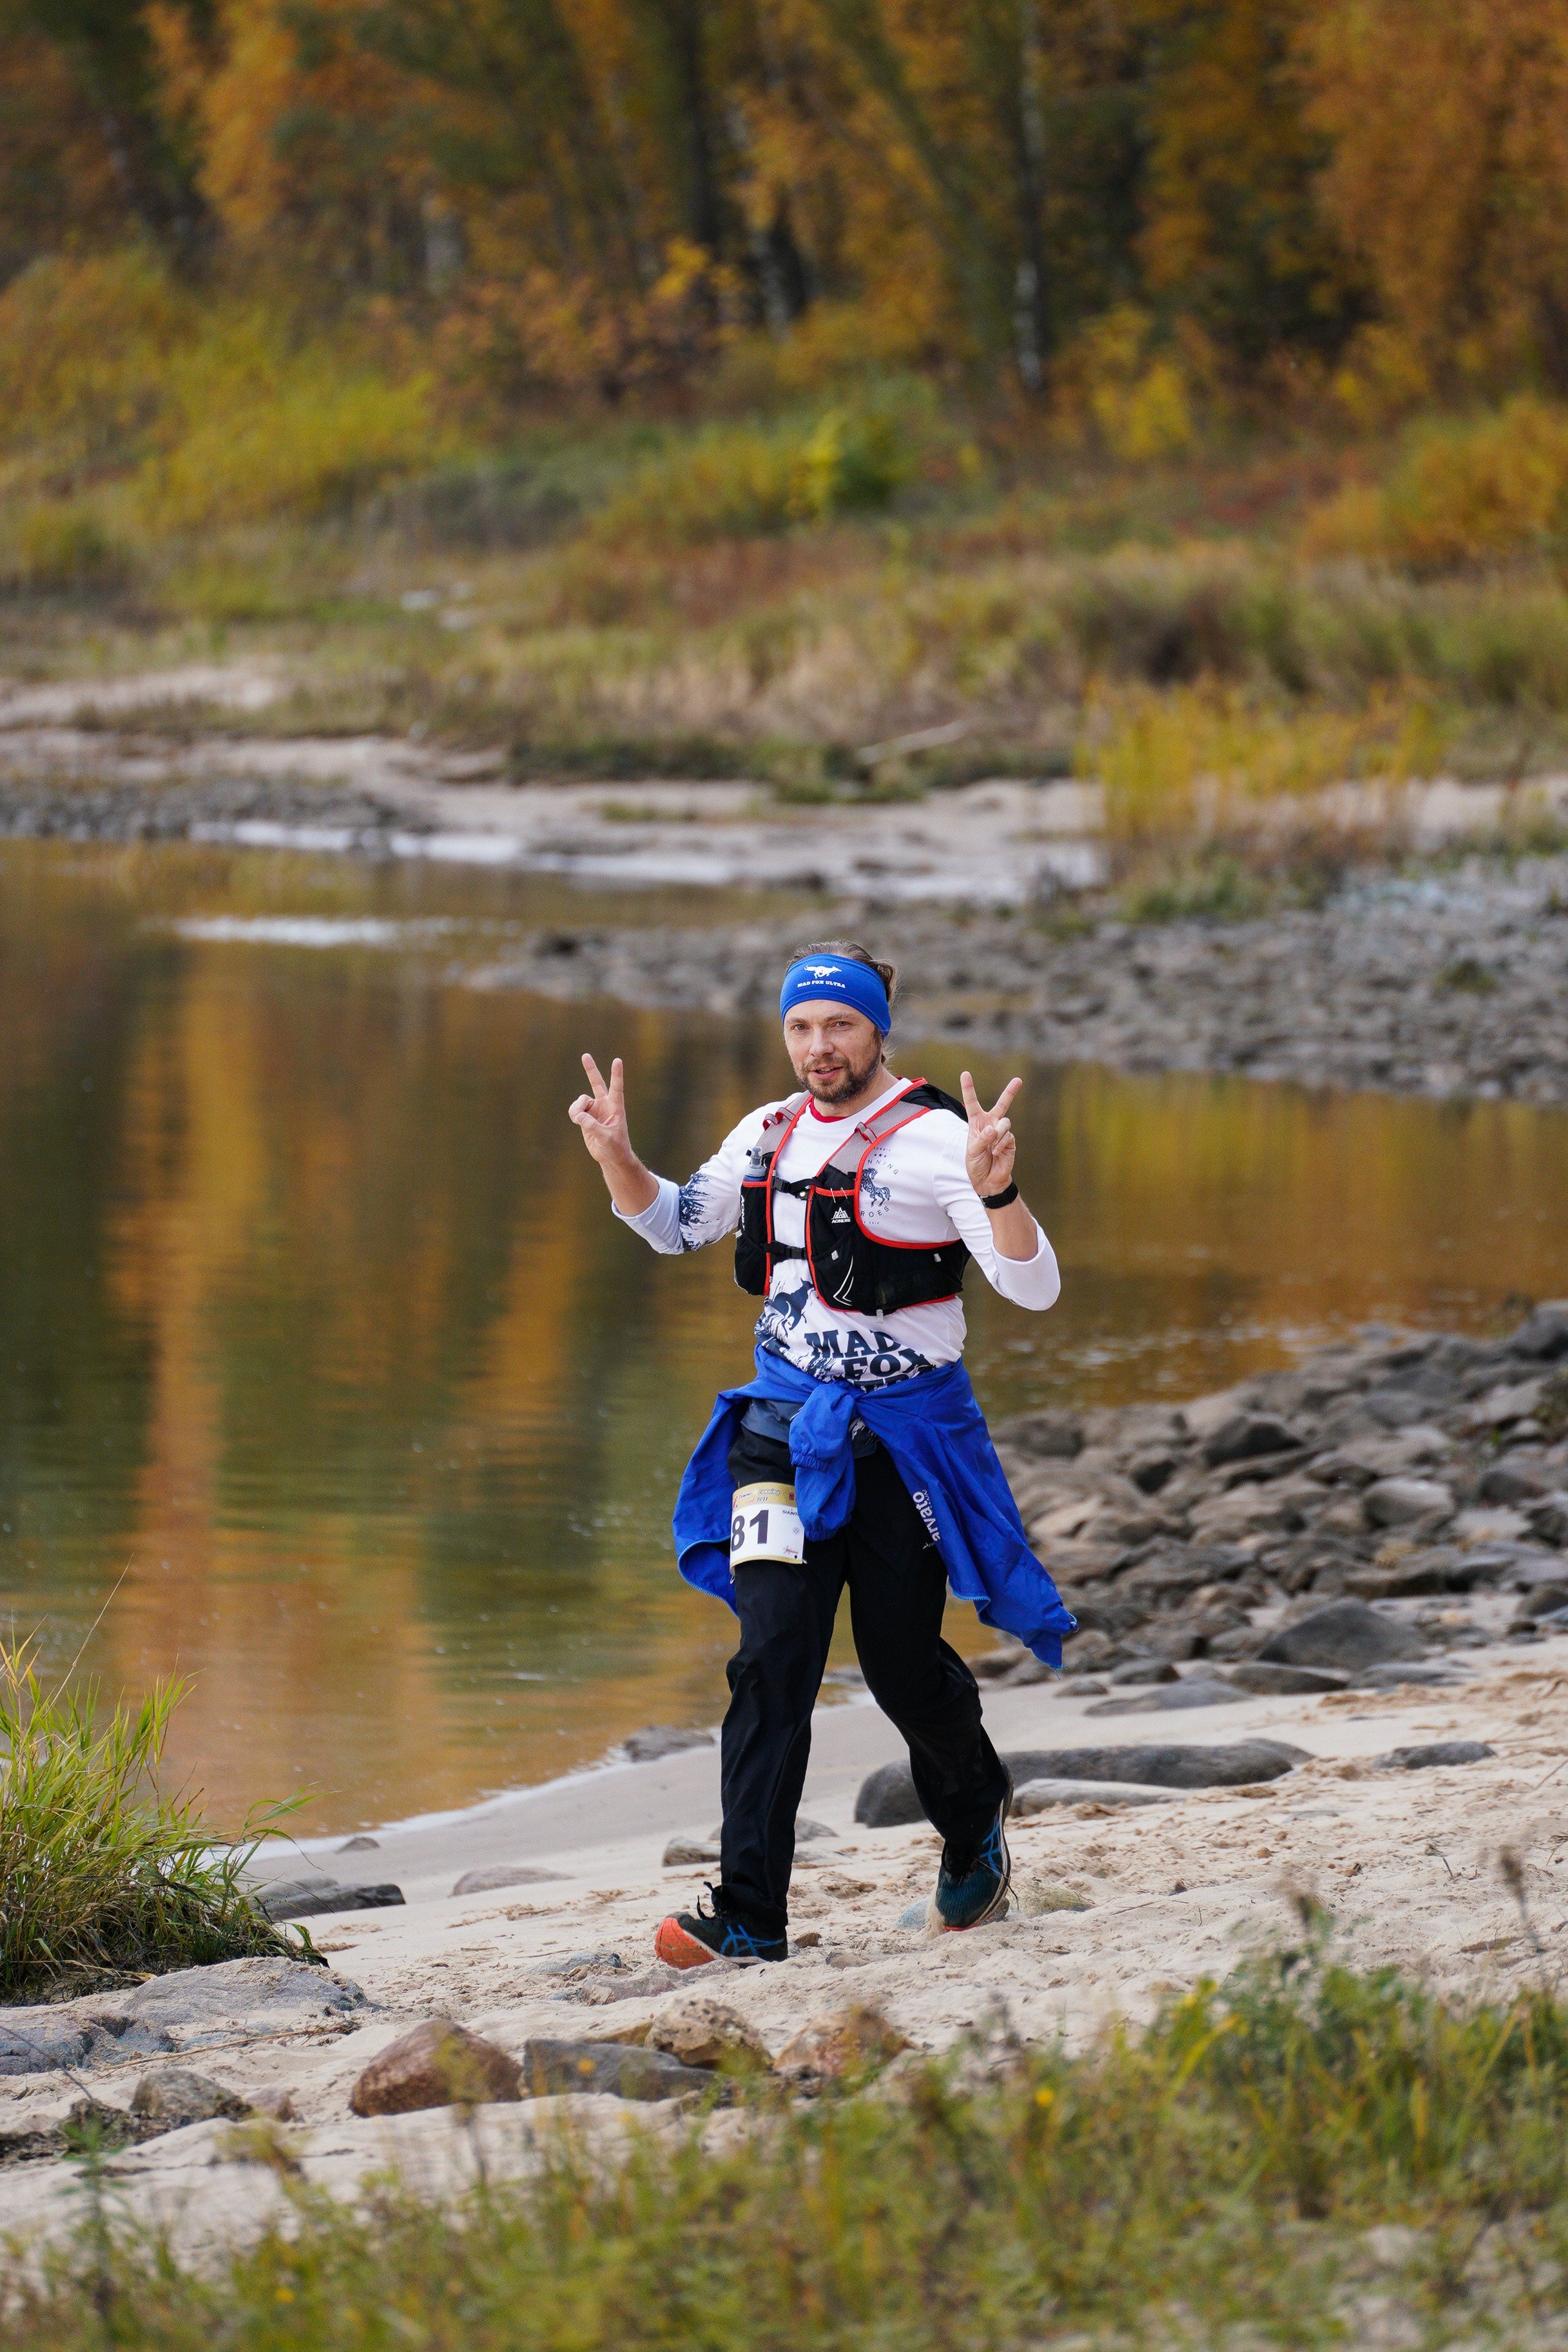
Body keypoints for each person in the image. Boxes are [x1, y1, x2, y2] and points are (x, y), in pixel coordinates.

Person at [568, 940, 1072, 1967]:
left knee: (900, 1668)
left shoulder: (937, 1141)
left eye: (839, 1024)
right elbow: (673, 1227)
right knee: (770, 1663)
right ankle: (749, 1914)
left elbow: (1035, 1289)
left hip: (902, 1443)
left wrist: (1001, 1191)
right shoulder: (764, 1133)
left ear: (878, 1028)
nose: (818, 1045)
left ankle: (974, 1821)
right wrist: (616, 1154)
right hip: (783, 1433)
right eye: (801, 1026)